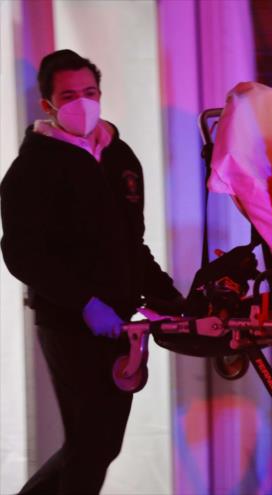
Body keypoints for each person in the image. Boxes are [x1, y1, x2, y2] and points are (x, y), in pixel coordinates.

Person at [0, 49, 182, 494]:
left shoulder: (120, 157)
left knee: (97, 444)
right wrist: (84, 302)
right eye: (68, 95)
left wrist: (174, 302)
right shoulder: (33, 169)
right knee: (93, 442)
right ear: (48, 104)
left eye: (90, 92)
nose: (82, 102)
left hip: (121, 324)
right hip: (69, 325)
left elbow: (130, 245)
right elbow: (22, 254)